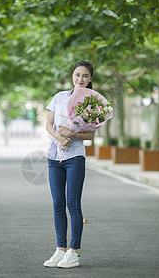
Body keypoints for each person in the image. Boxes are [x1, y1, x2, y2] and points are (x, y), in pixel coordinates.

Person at [44, 60, 95, 269]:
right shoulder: (59, 97)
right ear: (72, 76)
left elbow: (90, 134)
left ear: (90, 79)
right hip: (54, 157)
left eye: (84, 76)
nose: (80, 79)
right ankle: (60, 249)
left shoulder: (92, 102)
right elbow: (48, 123)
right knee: (57, 205)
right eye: (77, 75)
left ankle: (74, 251)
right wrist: (58, 137)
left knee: (73, 204)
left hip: (75, 158)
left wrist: (71, 135)